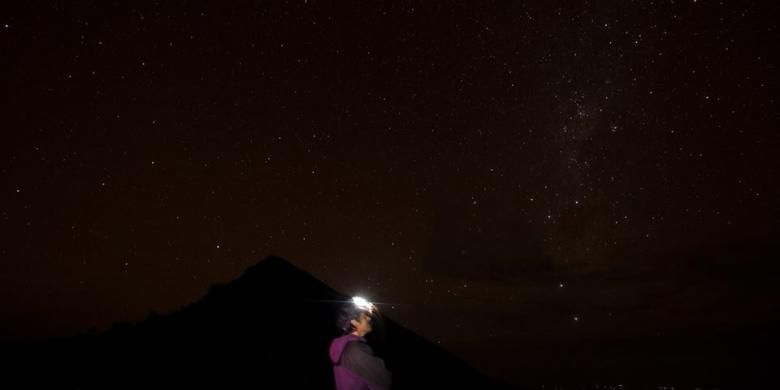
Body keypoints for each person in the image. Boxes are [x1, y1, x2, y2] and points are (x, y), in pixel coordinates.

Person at [329, 298, 392, 390]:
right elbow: (384, 381)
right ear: (354, 322)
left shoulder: (346, 347)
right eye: (365, 317)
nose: (369, 318)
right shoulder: (356, 350)